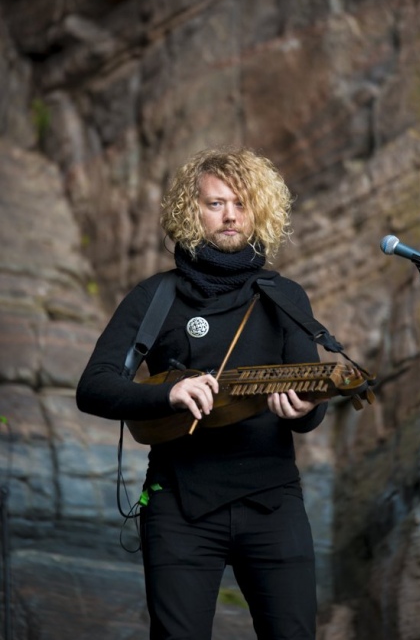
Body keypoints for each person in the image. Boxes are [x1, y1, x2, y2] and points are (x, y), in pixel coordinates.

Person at [76, 147, 329, 640]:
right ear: (190, 211)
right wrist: (167, 395)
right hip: (179, 506)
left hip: (272, 504)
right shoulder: (156, 297)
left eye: (240, 203)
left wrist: (303, 411)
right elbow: (94, 387)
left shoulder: (285, 296)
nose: (230, 215)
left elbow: (308, 410)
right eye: (215, 204)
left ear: (259, 210)